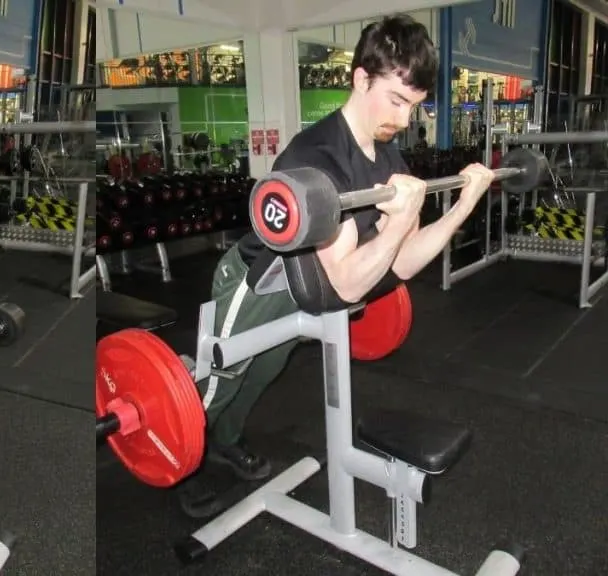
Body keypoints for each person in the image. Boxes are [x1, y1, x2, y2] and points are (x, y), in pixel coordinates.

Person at [176, 14, 496, 518]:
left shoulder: (389, 157)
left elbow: (405, 263)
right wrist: (397, 221)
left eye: (414, 106)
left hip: (302, 288)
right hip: (257, 282)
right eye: (396, 100)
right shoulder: (318, 158)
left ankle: (226, 440)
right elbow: (347, 280)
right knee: (222, 375)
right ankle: (182, 462)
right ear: (361, 78)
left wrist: (463, 206)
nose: (405, 119)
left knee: (263, 373)